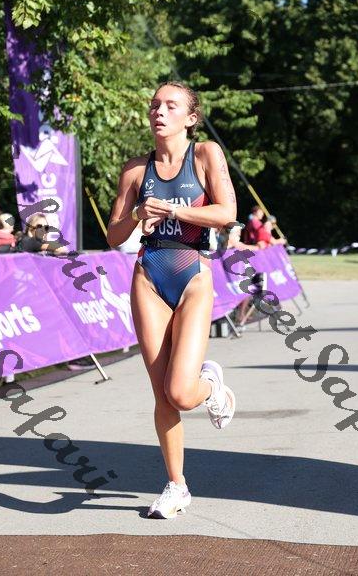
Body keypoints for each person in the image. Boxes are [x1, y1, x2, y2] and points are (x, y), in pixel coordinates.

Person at [107, 81, 237, 519]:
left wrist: (176, 211)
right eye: (154, 105)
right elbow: (114, 235)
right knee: (161, 393)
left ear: (191, 118)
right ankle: (176, 485)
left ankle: (211, 386)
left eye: (170, 105)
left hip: (193, 273)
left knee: (181, 392)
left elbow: (226, 213)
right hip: (149, 275)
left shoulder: (205, 155)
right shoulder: (134, 171)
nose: (159, 112)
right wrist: (136, 214)